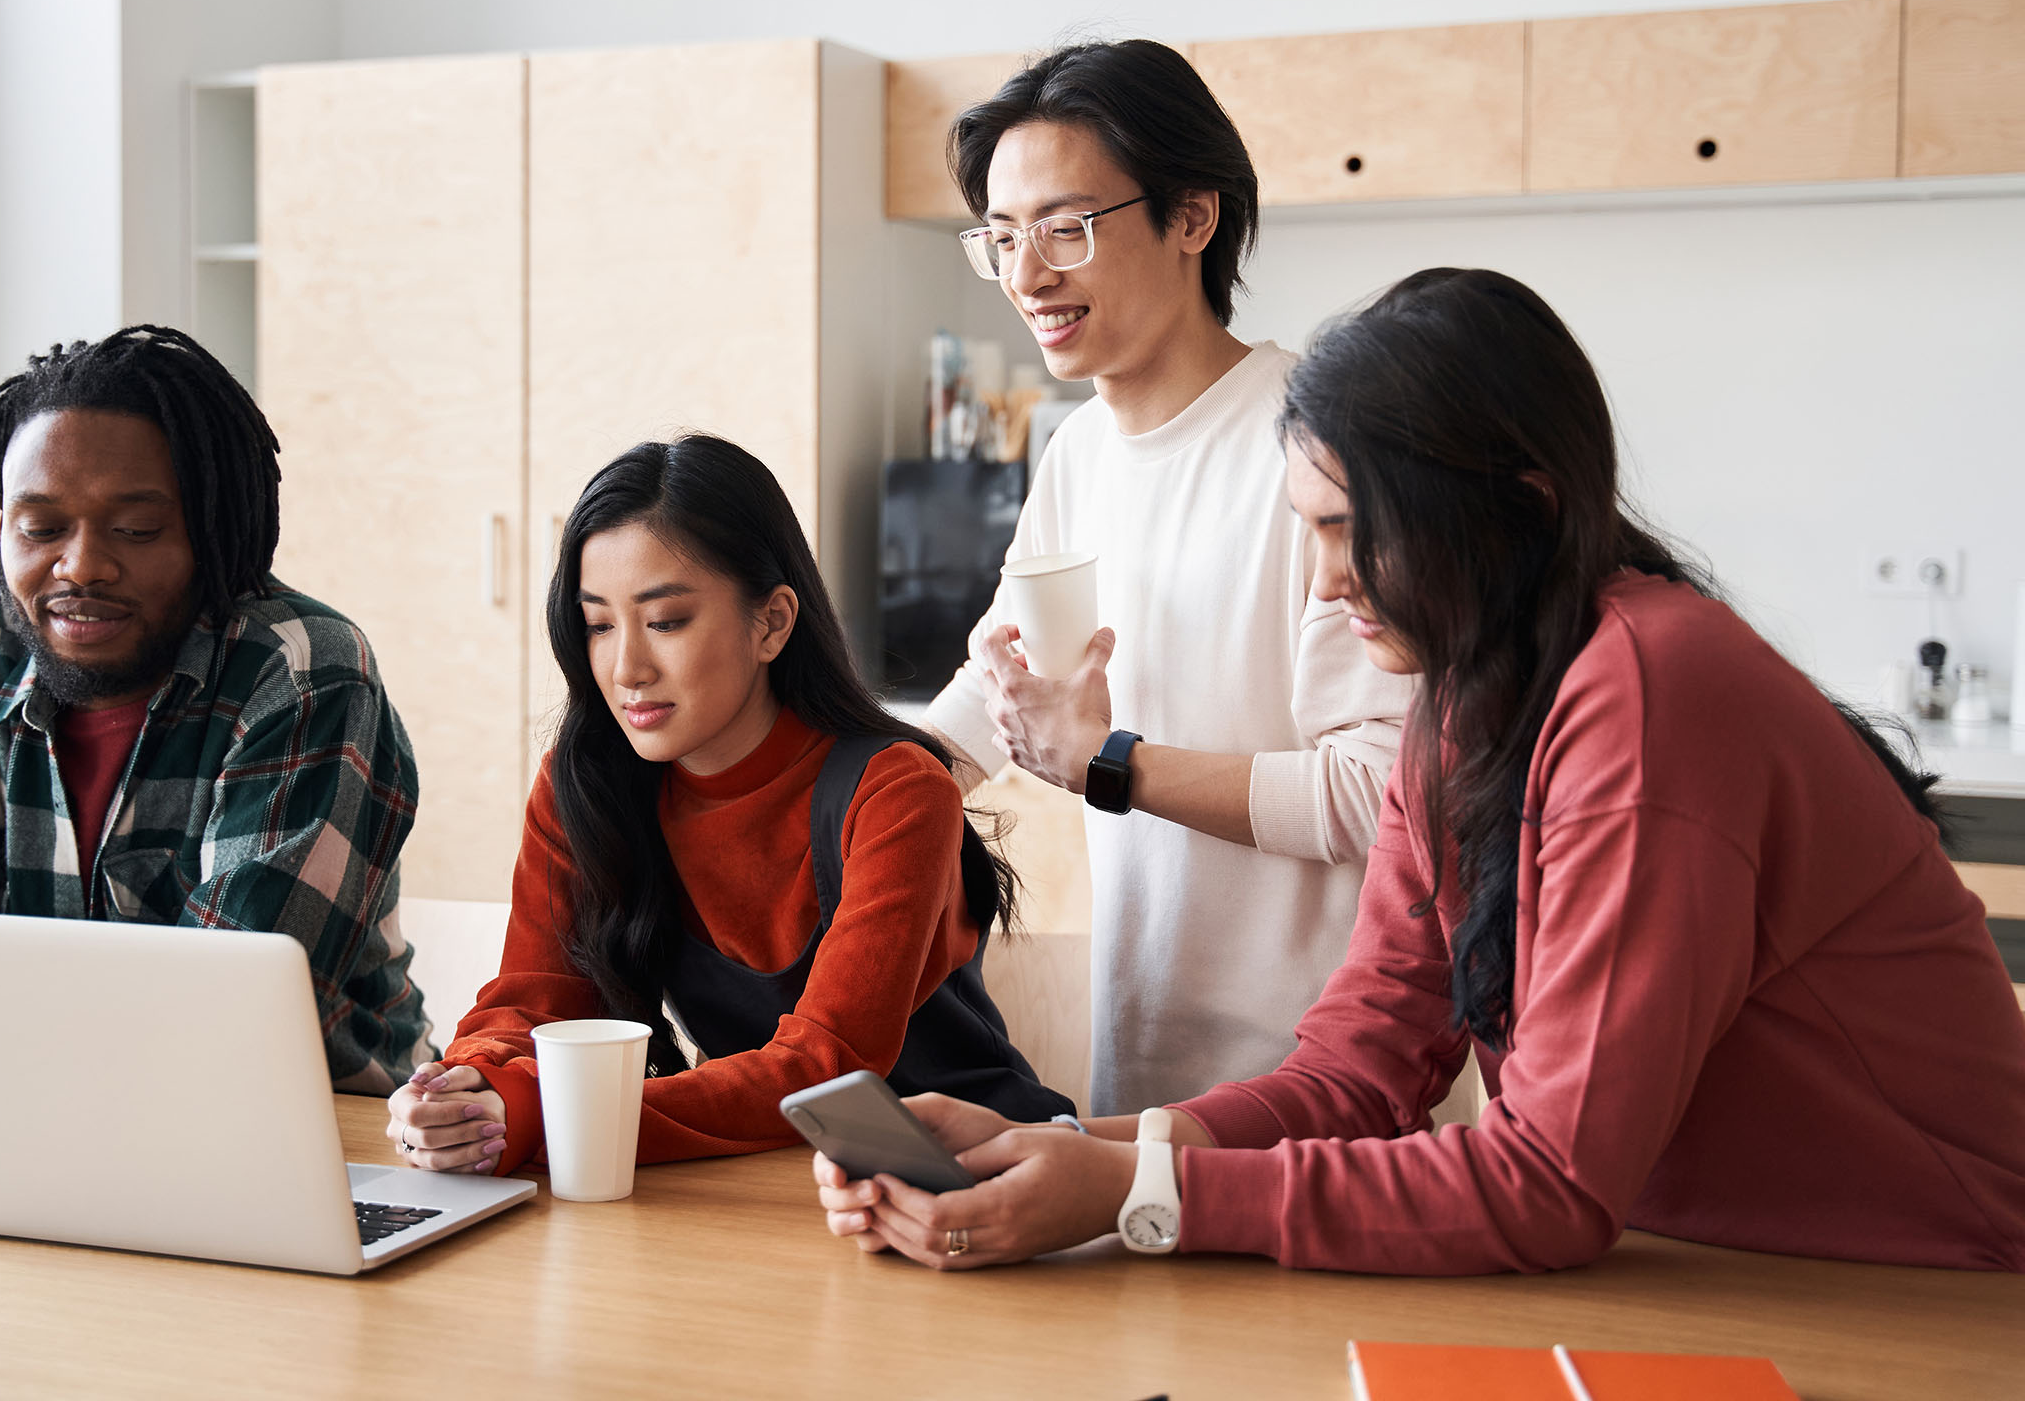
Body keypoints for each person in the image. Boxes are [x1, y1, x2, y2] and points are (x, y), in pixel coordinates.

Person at [816, 268, 2025, 1274]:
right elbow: (1363, 1064)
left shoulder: (1651, 694)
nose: (1325, 580)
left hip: (1924, 1285)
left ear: (1522, 507)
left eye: (1352, 530)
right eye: (1311, 531)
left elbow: (1547, 1182)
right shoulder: (1461, 700)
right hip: (1699, 1264)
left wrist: (1140, 1197)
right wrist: (1075, 1146)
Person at [925, 40, 1411, 1112]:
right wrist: (834, 802)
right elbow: (998, 677)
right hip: (1136, 1064)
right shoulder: (1078, 452)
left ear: (1192, 217)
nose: (1026, 275)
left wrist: (1113, 764)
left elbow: (1383, 791)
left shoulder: (1318, 449)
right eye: (1002, 238)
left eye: (1064, 228)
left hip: (1313, 1087)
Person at [386, 434, 1071, 1177]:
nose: (627, 668)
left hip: (980, 1176)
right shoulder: (587, 784)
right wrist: (472, 1088)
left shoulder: (896, 789)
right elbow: (533, 999)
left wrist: (559, 1114)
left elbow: (826, 1069)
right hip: (768, 1182)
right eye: (599, 625)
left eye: (667, 621)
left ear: (772, 623)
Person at [0, 327, 427, 1092]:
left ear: (211, 531)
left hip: (324, 1131)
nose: (81, 566)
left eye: (136, 530)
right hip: (5, 1122)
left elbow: (231, 1015)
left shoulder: (303, 672)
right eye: (39, 529)